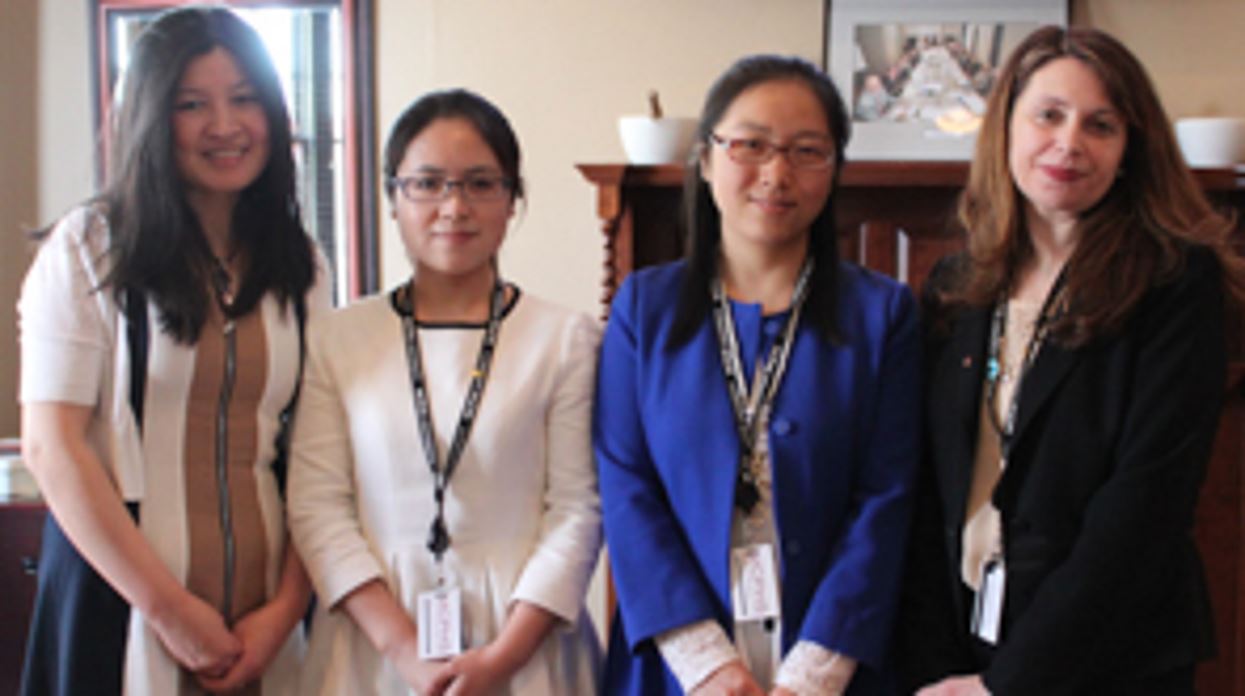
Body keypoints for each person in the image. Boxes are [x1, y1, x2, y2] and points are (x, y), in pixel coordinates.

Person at [896, 25, 1245, 695]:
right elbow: (927, 487)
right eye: (1048, 116)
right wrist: (942, 668)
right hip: (965, 640)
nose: (1068, 143)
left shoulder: (1173, 284)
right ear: (1006, 129)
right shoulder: (955, 286)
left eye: (1100, 125)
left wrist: (1009, 685)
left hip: (1110, 656)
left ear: (1128, 151)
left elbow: (1142, 510)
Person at [18, 7, 331, 695]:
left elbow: (314, 451)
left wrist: (283, 611)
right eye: (193, 105)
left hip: (263, 622)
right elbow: (53, 446)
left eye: (244, 99)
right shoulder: (89, 248)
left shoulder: (299, 263)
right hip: (123, 609)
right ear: (151, 118)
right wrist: (169, 610)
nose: (225, 126)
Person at [595, 54, 920, 695]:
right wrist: (707, 666)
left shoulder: (883, 313)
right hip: (676, 663)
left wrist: (813, 674)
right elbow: (626, 486)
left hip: (833, 658)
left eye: (806, 151)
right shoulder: (644, 308)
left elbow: (887, 498)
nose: (776, 174)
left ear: (833, 170)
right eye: (751, 145)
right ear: (708, 158)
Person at [287, 88, 603, 695]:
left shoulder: (566, 339)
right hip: (372, 639)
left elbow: (578, 508)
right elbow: (317, 505)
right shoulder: (336, 338)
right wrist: (407, 653)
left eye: (481, 183)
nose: (453, 206)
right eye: (427, 183)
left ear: (513, 200)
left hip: (524, 639)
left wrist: (503, 659)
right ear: (393, 197)